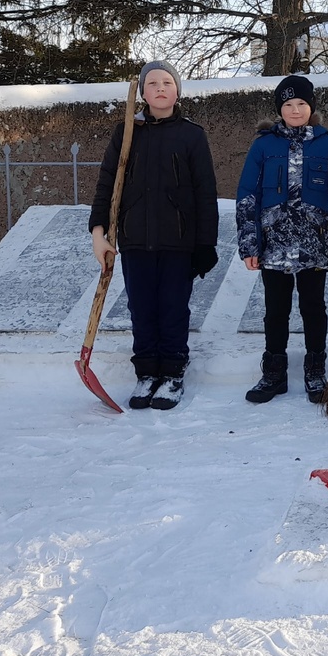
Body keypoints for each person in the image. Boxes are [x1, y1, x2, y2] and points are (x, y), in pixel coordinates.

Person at [90, 60, 219, 411]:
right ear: (142, 92)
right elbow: (107, 184)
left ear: (177, 91)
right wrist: (98, 233)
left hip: (179, 242)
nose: (160, 88)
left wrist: (205, 243)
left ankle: (173, 373)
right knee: (141, 308)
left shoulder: (192, 134)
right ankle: (147, 373)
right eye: (152, 83)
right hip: (134, 240)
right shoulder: (127, 132)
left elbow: (205, 192)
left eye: (168, 82)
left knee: (173, 308)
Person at [236, 75, 328, 406]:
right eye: (288, 105)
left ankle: (315, 371)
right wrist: (250, 245)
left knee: (313, 307)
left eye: (302, 104)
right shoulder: (263, 145)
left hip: (314, 242)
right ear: (280, 109)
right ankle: (274, 373)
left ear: (312, 107)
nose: (295, 110)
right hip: (274, 242)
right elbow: (247, 195)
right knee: (275, 309)